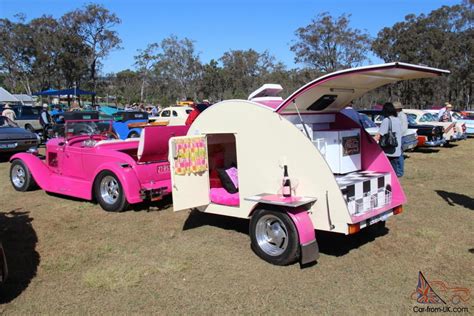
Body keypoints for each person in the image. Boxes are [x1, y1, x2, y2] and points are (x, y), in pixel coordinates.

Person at [375, 102, 404, 177]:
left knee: (386, 169)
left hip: (388, 149)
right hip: (396, 149)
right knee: (394, 168)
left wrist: (371, 141)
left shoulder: (386, 120)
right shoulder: (397, 120)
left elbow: (379, 135)